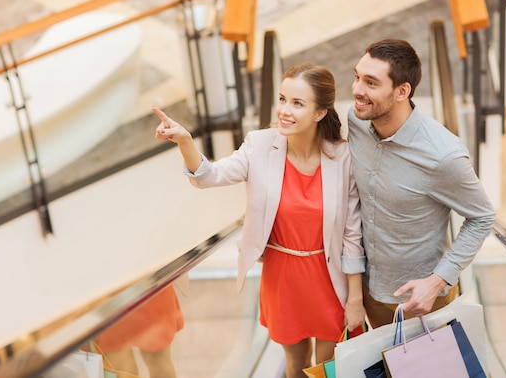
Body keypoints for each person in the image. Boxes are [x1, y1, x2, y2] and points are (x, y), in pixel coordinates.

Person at [153, 63, 366, 378]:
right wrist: (186, 142)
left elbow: (352, 234)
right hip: (283, 279)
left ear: (320, 112)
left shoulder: (343, 157)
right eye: (282, 99)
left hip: (330, 278)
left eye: (297, 103)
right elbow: (209, 176)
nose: (284, 110)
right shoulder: (259, 145)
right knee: (296, 364)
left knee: (330, 369)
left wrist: (356, 299)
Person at [347, 38, 496, 328]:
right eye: (356, 77)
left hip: (421, 300)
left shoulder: (444, 155)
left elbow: (482, 217)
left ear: (402, 91)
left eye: (370, 82)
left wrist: (438, 280)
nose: (356, 90)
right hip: (367, 291)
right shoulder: (357, 120)